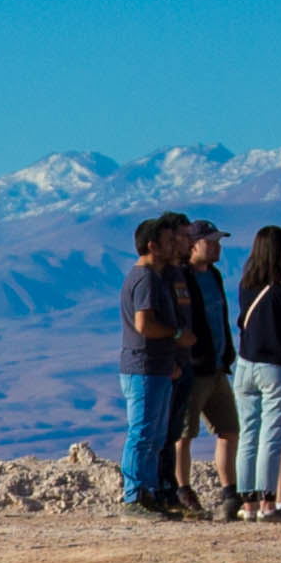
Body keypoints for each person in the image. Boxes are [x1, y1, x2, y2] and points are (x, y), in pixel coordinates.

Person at [114, 214, 199, 516]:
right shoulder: (146, 278)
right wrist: (176, 335)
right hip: (144, 366)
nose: (175, 245)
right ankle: (134, 495)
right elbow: (144, 324)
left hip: (158, 367)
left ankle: (148, 492)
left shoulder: (157, 276)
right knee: (142, 432)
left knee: (155, 434)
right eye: (168, 240)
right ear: (152, 245)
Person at [230, 224, 281, 520]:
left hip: (244, 367)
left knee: (248, 435)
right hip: (277, 370)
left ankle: (248, 503)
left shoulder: (246, 285)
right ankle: (268, 503)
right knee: (272, 437)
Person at [175, 221, 242, 511]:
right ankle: (182, 490)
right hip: (193, 369)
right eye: (210, 242)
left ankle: (230, 493)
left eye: (218, 241)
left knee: (229, 430)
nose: (217, 247)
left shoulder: (213, 275)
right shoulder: (181, 279)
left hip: (217, 367)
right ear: (193, 244)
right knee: (184, 434)